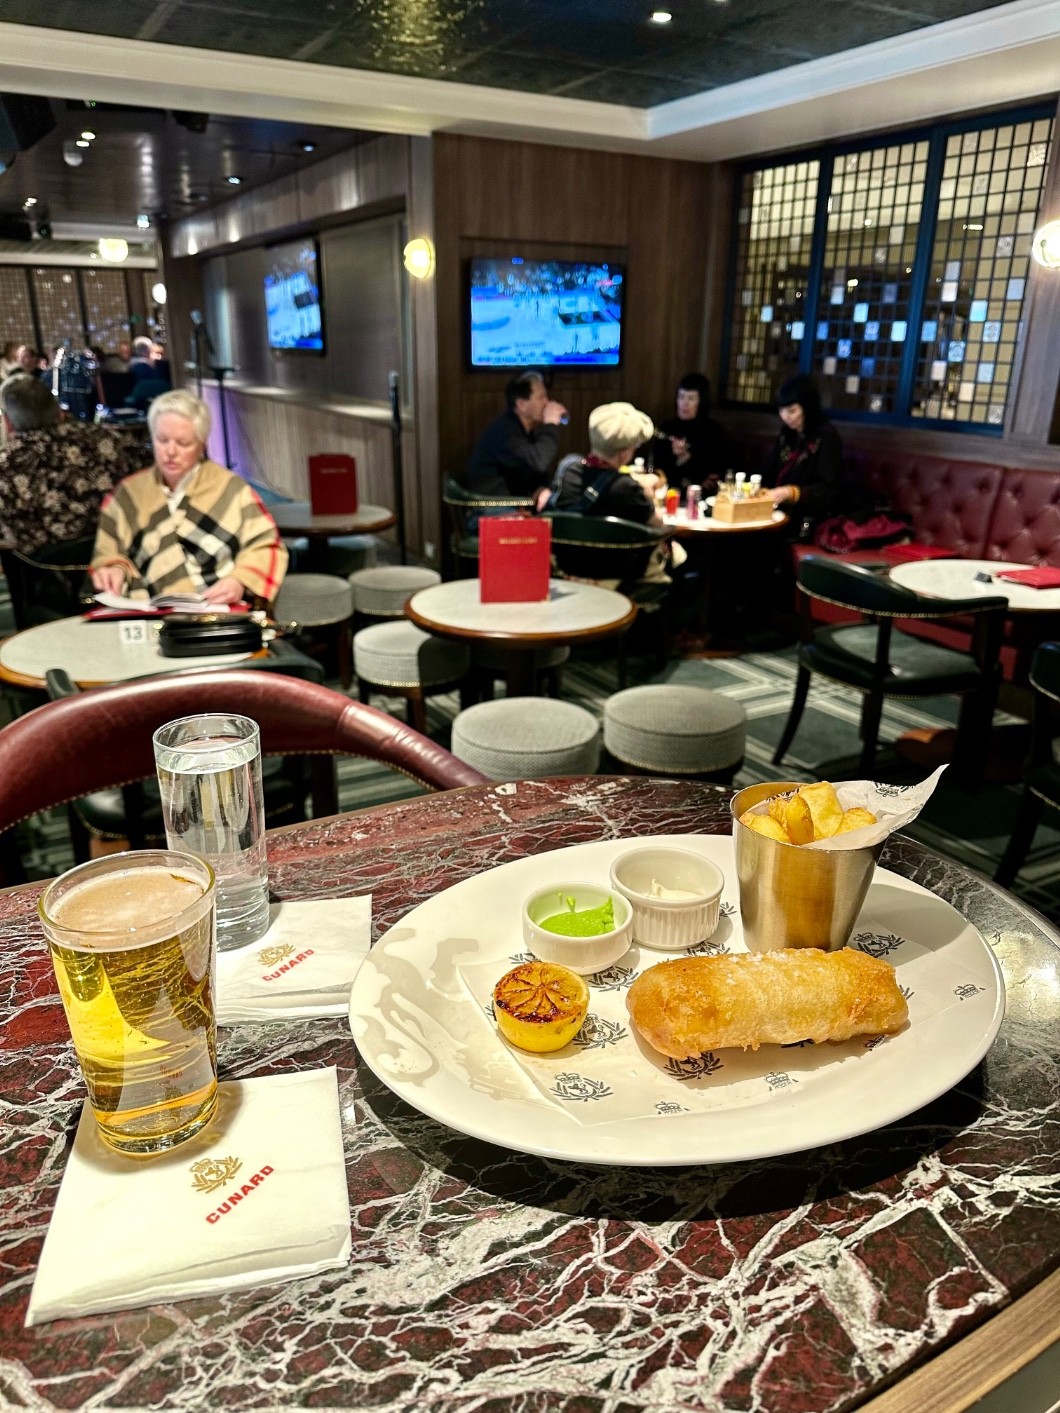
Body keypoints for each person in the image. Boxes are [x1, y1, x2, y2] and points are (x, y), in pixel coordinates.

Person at [90, 389, 288, 605]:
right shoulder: (127, 493)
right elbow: (107, 553)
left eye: (183, 443)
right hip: (144, 609)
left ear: (202, 444)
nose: (170, 452)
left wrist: (238, 581)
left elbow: (266, 545)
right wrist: (114, 569)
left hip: (217, 608)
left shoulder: (231, 489)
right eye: (162, 440)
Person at [0, 373, 144, 554]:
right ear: (58, 410)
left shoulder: (7, 463)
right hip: (122, 553)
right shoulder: (104, 437)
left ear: (7, 422)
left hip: (44, 567)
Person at [463, 368, 568, 504]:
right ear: (521, 404)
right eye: (541, 397)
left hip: (514, 504)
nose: (547, 403)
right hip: (492, 507)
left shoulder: (524, 430)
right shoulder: (504, 431)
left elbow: (529, 470)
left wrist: (540, 488)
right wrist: (550, 425)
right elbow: (538, 462)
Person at [550, 402, 662, 526]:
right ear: (624, 454)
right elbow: (659, 524)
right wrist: (647, 494)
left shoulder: (568, 469)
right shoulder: (628, 489)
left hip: (562, 539)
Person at [762, 374, 846, 528]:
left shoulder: (826, 436)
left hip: (809, 517)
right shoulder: (787, 434)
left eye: (792, 410)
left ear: (807, 407)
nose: (785, 417)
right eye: (781, 410)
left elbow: (827, 489)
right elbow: (769, 469)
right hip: (779, 510)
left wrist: (790, 492)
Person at [649, 372, 731, 495]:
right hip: (669, 493)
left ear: (701, 402)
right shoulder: (667, 428)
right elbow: (657, 469)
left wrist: (686, 457)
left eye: (691, 399)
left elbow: (716, 471)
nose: (684, 403)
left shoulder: (714, 431)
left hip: (703, 495)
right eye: (681, 397)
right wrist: (678, 461)